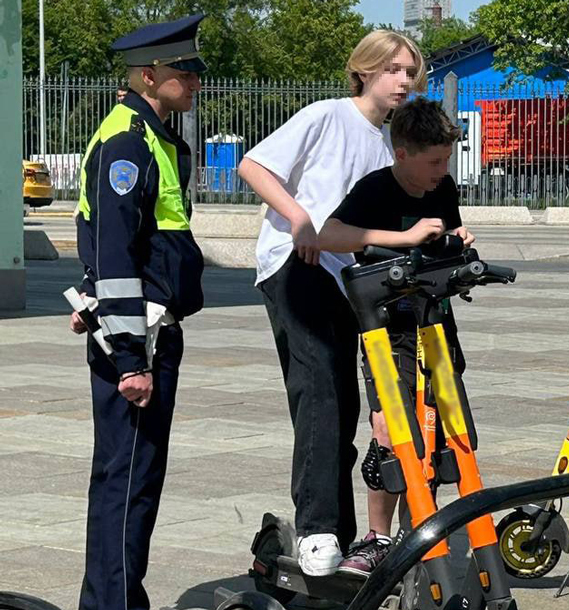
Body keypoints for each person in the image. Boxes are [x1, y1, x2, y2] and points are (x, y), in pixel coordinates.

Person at [237, 30, 425, 577]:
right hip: (296, 263)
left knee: (342, 403)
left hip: (349, 280)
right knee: (319, 385)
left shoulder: (388, 144)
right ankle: (318, 530)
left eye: (410, 72)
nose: (403, 81)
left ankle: (336, 538)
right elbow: (254, 165)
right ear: (364, 69)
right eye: (393, 69)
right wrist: (298, 217)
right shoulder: (327, 115)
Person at [69, 14, 207, 610]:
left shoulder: (147, 134)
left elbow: (110, 244)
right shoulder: (128, 142)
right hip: (139, 340)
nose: (197, 79)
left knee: (134, 483)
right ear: (150, 76)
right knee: (126, 485)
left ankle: (117, 599)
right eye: (186, 70)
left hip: (144, 332)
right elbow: (118, 252)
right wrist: (129, 357)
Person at [317, 97, 473, 574]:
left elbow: (449, 229)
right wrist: (404, 239)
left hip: (435, 323)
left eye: (446, 160)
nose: (441, 171)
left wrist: (461, 243)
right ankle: (377, 537)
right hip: (389, 332)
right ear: (401, 154)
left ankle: (421, 529)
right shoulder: (376, 190)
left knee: (447, 431)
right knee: (392, 432)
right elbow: (328, 235)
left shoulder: (441, 187)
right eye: (432, 162)